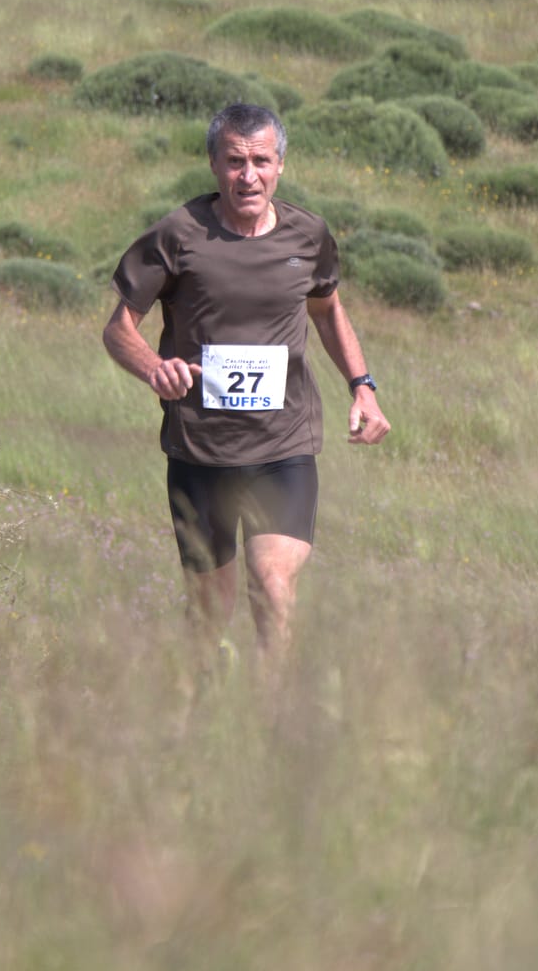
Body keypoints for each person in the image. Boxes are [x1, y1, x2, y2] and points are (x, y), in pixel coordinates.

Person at [103, 101, 389, 670]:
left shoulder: (308, 235)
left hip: (283, 446)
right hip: (200, 450)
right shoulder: (178, 236)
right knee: (210, 609)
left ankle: (268, 731)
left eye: (260, 160)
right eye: (235, 161)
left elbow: (328, 312)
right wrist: (152, 368)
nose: (248, 175)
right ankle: (191, 718)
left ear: (281, 164)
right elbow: (118, 330)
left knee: (273, 585)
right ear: (213, 165)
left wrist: (362, 385)